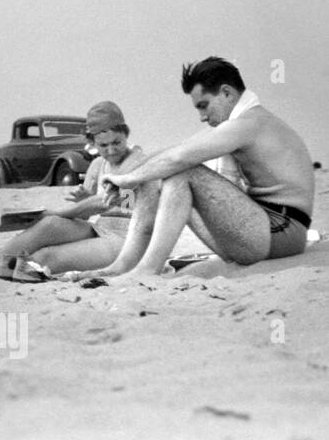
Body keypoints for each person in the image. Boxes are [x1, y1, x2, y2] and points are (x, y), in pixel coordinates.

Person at [66, 58, 315, 281]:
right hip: (258, 231)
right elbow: (179, 148)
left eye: (204, 105)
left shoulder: (249, 123)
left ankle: (147, 270)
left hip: (281, 232)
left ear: (227, 93)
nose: (202, 117)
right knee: (159, 175)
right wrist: (132, 178)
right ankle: (122, 266)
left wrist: (128, 178)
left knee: (182, 170)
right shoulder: (239, 125)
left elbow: (180, 158)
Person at [0, 102, 155, 280]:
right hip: (103, 229)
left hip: (129, 240)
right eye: (103, 146)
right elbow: (87, 213)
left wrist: (61, 210)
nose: (111, 150)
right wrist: (81, 202)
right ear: (93, 143)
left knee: (47, 257)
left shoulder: (138, 162)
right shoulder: (98, 165)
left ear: (126, 134)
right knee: (49, 225)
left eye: (117, 142)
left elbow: (104, 202)